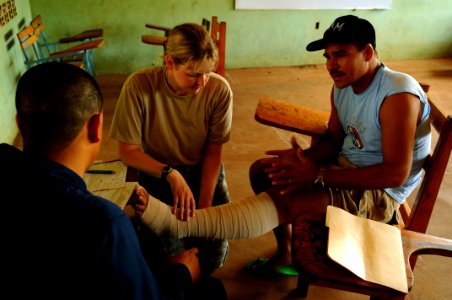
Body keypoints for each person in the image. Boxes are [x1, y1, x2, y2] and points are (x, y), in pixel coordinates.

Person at [130, 14, 431, 277]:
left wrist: (317, 176)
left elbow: (395, 175)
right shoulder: (343, 87)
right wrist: (301, 160)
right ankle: (284, 253)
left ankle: (179, 225)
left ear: (367, 52)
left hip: (381, 193)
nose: (331, 65)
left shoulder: (397, 95)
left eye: (340, 54)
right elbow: (335, 141)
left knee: (288, 201)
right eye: (327, 56)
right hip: (347, 169)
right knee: (265, 172)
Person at [0, 62, 227, 299]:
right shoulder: (106, 223)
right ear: (96, 126)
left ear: (19, 122)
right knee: (211, 289)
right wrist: (181, 273)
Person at [109, 22, 233, 274]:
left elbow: (213, 152)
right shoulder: (139, 87)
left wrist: (204, 205)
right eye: (194, 74)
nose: (202, 81)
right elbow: (128, 151)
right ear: (169, 63)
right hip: (157, 172)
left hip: (202, 169)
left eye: (208, 72)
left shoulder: (219, 90)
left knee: (213, 252)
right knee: (170, 255)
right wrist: (171, 174)